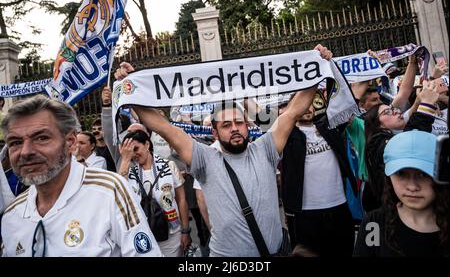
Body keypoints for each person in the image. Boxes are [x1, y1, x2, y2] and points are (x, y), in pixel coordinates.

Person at [116, 44, 333, 256]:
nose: (235, 129)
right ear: (215, 132)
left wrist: (316, 67)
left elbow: (294, 111)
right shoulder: (204, 158)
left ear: (247, 125)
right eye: (226, 125)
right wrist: (133, 89)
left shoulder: (265, 148)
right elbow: (162, 126)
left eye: (238, 122)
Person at [0, 95, 162, 257]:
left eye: (42, 138)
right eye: (15, 142)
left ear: (70, 142)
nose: (26, 151)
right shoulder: (11, 215)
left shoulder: (110, 192)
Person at [354, 130, 448, 256]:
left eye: (423, 174)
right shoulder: (374, 225)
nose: (412, 187)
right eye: (401, 173)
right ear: (388, 177)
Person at [281, 101, 357, 256]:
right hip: (306, 215)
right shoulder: (286, 136)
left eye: (310, 103)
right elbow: (260, 116)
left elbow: (351, 97)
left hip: (339, 209)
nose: (307, 107)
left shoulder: (329, 126)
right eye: (302, 104)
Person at [363, 80, 440, 212]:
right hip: (389, 214)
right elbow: (410, 146)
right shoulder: (376, 142)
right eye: (387, 112)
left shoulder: (389, 136)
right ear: (377, 124)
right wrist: (426, 106)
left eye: (393, 109)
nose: (396, 112)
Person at [118, 130, 191, 257]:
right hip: (144, 235)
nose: (134, 154)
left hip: (171, 234)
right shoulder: (127, 173)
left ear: (147, 144)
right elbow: (120, 196)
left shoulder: (169, 166)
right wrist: (124, 160)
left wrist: (185, 231)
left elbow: (181, 200)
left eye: (136, 148)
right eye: (129, 152)